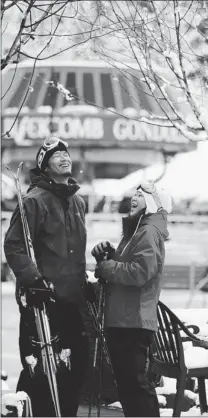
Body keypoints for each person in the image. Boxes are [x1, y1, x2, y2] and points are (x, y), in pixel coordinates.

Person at [4, 137, 90, 417]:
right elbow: (14, 245)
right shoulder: (33, 201)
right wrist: (33, 281)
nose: (64, 157)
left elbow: (74, 250)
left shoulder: (78, 202)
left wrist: (84, 281)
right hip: (42, 299)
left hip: (72, 299)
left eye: (66, 153)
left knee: (73, 369)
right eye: (56, 155)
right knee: (40, 370)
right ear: (44, 165)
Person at [91, 181, 172, 417]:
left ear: (154, 205)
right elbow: (129, 265)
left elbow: (140, 273)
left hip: (132, 321)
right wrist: (109, 255)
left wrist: (108, 266)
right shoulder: (137, 231)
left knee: (135, 385)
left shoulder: (147, 231)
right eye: (134, 193)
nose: (134, 197)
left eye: (141, 194)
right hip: (126, 319)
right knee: (129, 384)